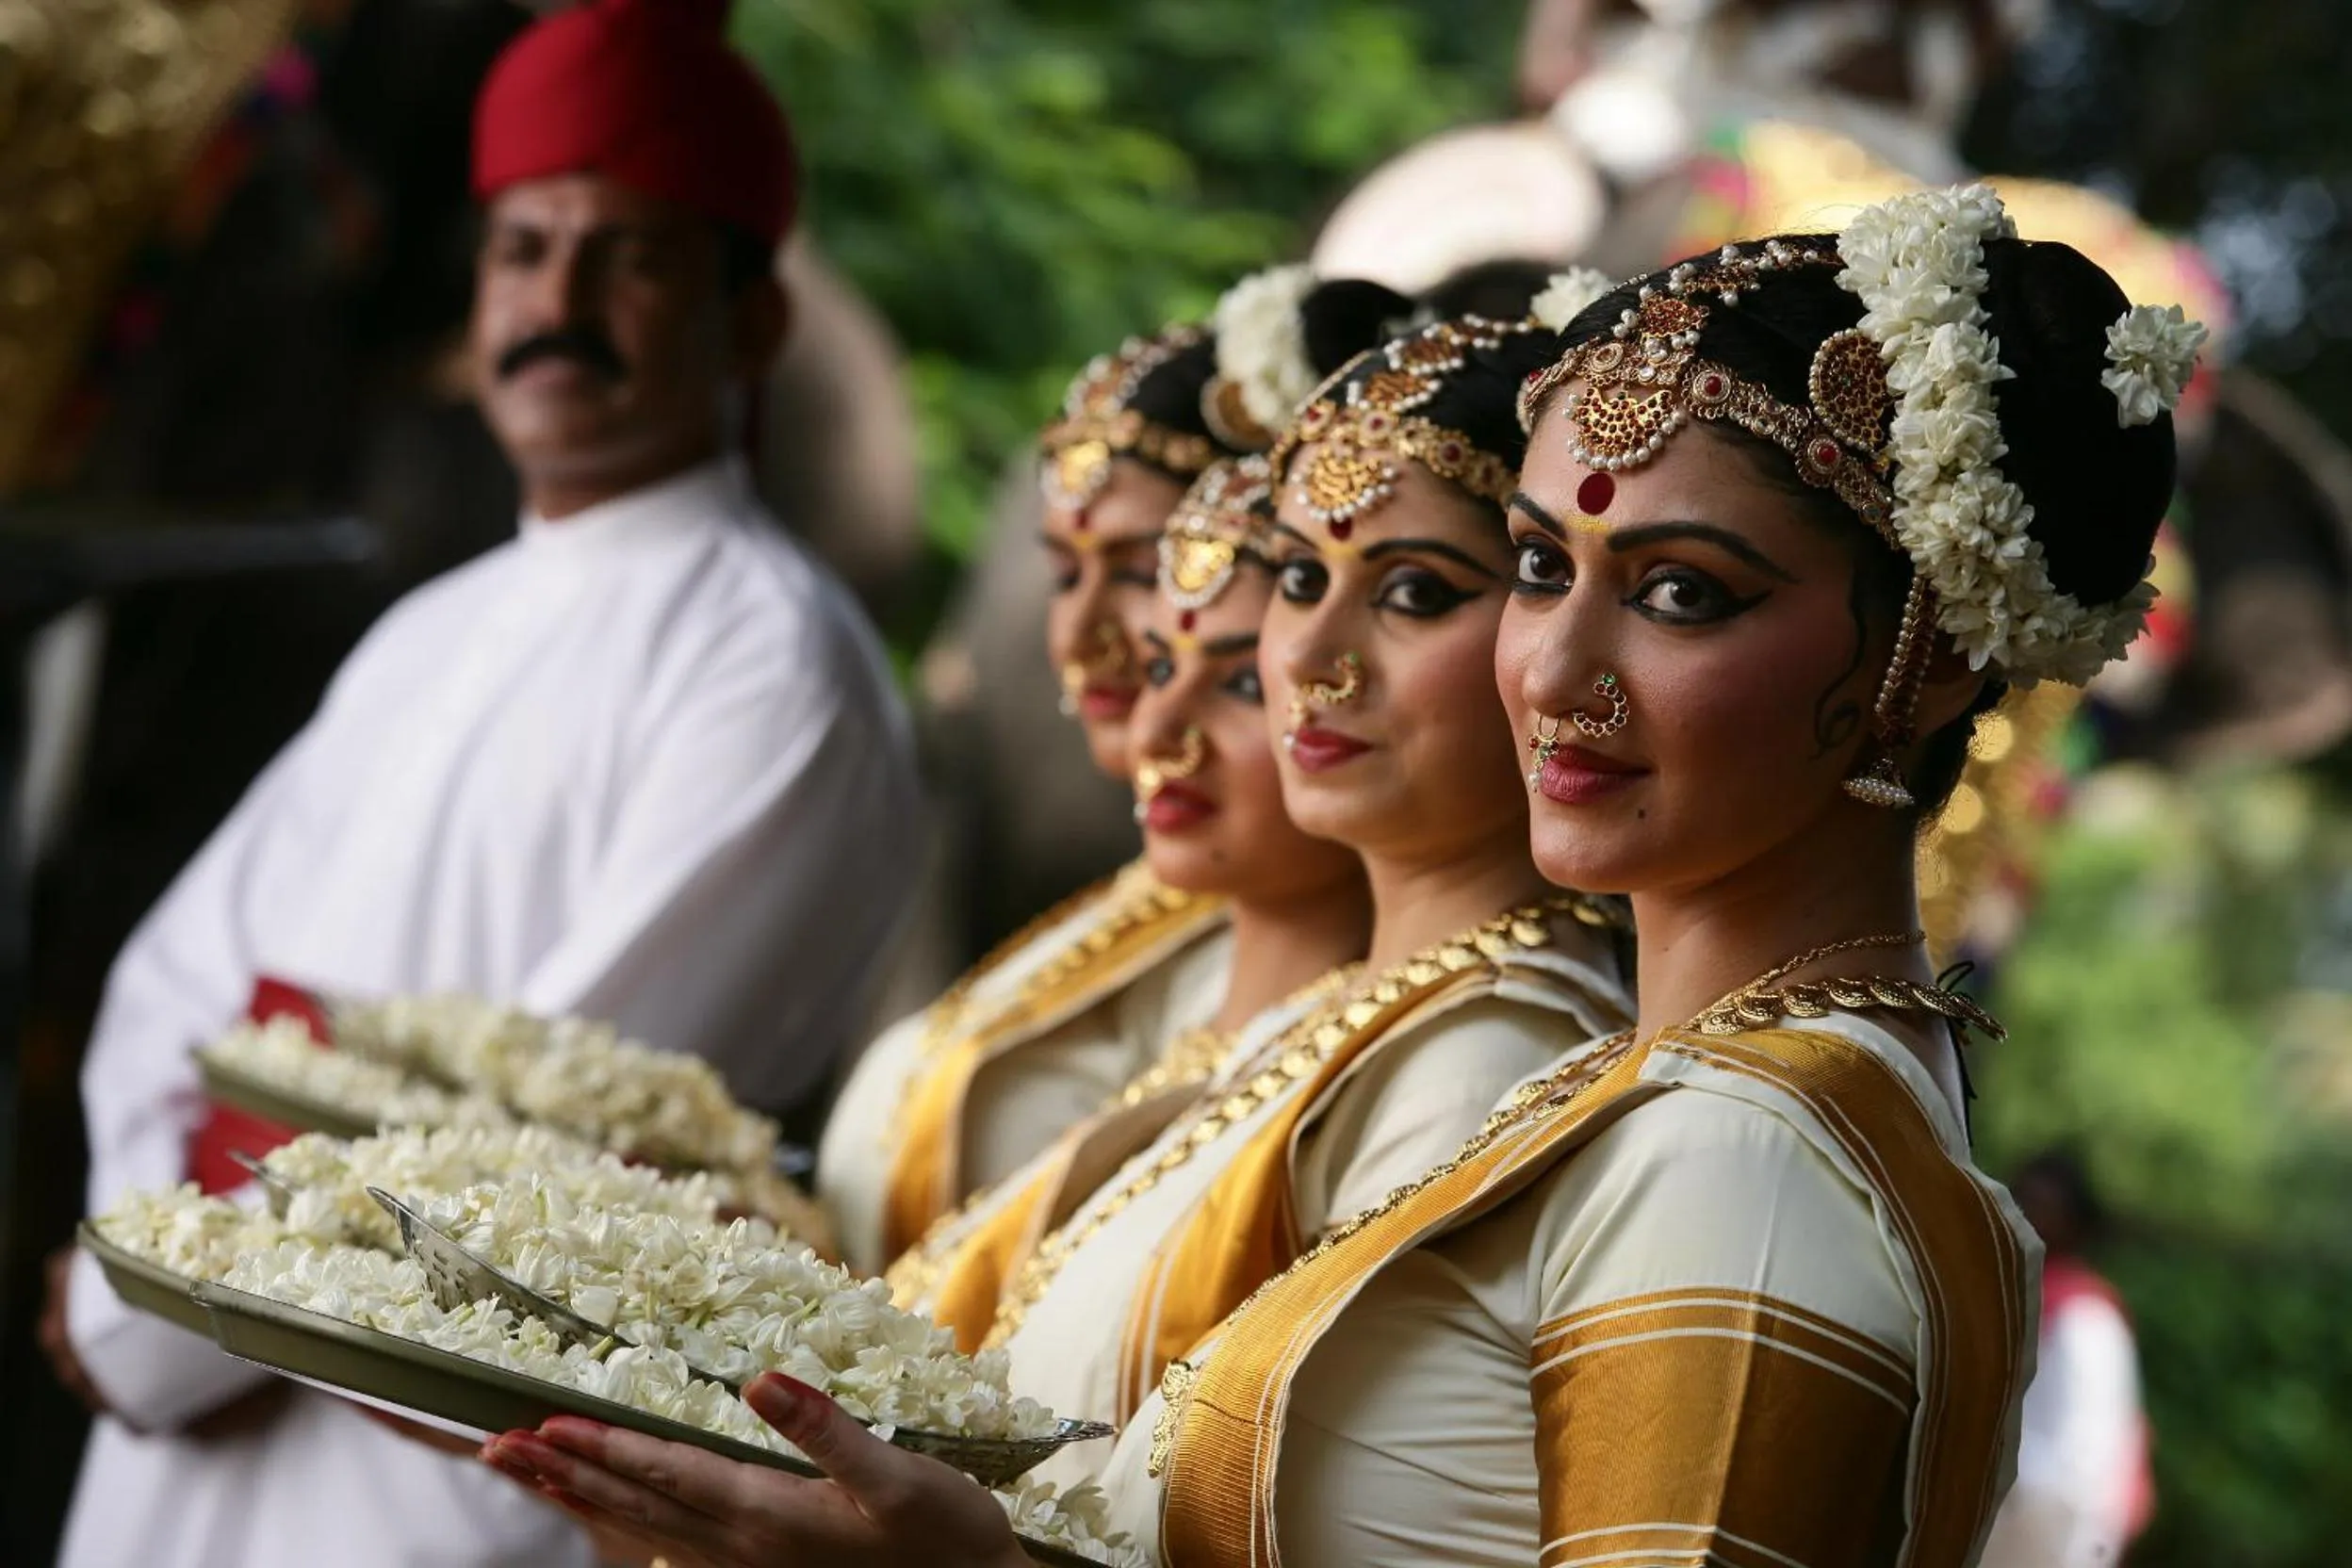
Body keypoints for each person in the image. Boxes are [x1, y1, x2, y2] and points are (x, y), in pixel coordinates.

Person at [473, 186, 2202, 1568]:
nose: (1555, 669)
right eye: (1539, 564)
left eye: (1681, 590)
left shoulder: (1752, 1160)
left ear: (1932, 664)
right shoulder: (1680, 1095)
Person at [472, 289, 1641, 1534]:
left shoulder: (1491, 1071)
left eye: (1414, 592)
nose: (1312, 657)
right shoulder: (1359, 1020)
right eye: (1301, 576)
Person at [42, 1, 922, 1563]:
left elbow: (555, 1146)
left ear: (754, 322)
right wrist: (145, 1272)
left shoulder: (775, 669)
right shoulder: (426, 629)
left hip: (433, 1498)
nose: (556, 301)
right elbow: (165, 990)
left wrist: (156, 1323)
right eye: (524, 249)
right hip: (174, 1447)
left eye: (630, 258)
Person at [817, 272, 1409, 1274]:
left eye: (1140, 572)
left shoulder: (1314, 955)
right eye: (1062, 570)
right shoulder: (1157, 902)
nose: (1080, 637)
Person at [885, 453, 1374, 1348]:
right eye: (1160, 667)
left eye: (1239, 685)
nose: (1156, 730)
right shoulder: (1163, 940)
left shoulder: (1421, 1072)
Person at [1980, 1151, 2155, 1568]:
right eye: (2022, 1201)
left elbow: (2087, 1460)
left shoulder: (2085, 1319)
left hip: (2054, 1536)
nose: (2028, 1216)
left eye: (2044, 1207)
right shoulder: (2013, 1302)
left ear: (2075, 1224)